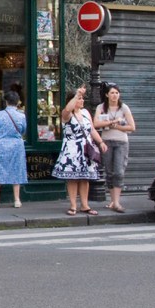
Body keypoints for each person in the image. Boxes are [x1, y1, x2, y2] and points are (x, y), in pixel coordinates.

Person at [51, 86, 107, 216]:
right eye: (79, 99)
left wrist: (100, 142)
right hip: (72, 149)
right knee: (73, 178)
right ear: (72, 100)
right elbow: (67, 109)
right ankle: (73, 205)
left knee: (85, 178)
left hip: (85, 149)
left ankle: (85, 205)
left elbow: (92, 129)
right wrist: (77, 94)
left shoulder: (86, 113)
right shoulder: (67, 114)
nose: (82, 101)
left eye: (82, 98)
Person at [94, 83, 135, 213]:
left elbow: (132, 127)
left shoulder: (124, 108)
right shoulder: (101, 107)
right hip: (107, 141)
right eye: (112, 93)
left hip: (121, 142)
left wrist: (117, 127)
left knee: (119, 172)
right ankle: (113, 200)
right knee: (110, 172)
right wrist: (111, 122)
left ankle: (117, 202)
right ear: (106, 95)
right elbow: (95, 124)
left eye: (116, 93)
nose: (114, 95)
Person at [0, 90, 28, 208]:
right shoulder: (21, 116)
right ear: (17, 102)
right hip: (16, 146)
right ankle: (17, 200)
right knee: (16, 170)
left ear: (6, 102)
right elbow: (23, 131)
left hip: (0, 145)